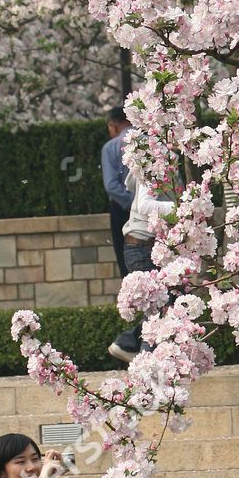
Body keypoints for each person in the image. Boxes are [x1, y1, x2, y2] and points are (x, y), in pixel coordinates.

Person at [107, 172, 174, 364]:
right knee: (158, 314)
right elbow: (143, 205)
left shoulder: (165, 162)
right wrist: (181, 209)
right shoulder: (153, 163)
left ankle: (128, 343)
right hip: (143, 248)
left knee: (164, 309)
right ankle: (144, 366)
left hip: (146, 247)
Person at [100, 107, 133, 277]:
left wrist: (131, 202)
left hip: (122, 208)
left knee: (124, 256)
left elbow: (111, 185)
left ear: (113, 125)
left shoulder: (111, 147)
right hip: (153, 207)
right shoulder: (151, 141)